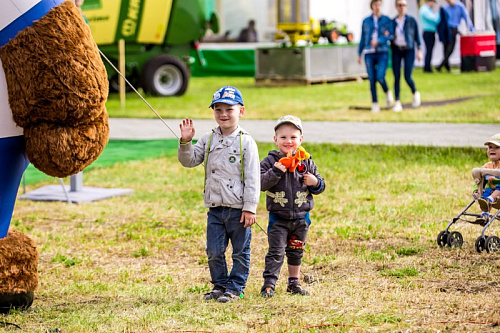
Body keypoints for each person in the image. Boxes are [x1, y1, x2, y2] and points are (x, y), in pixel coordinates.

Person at [178, 86, 260, 303]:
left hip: (239, 210)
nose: (223, 114)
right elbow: (189, 161)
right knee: (214, 251)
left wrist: (250, 207)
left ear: (241, 111)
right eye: (218, 110)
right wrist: (186, 142)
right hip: (215, 209)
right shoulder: (208, 139)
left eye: (229, 110)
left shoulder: (246, 141)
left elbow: (253, 178)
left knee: (240, 252)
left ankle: (236, 287)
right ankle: (219, 285)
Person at [260, 115, 325, 298]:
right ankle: (269, 284)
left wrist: (315, 182)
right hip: (278, 218)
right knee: (276, 251)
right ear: (275, 139)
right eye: (283, 137)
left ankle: (293, 282)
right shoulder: (270, 162)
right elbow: (260, 183)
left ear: (301, 139)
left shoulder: (307, 162)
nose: (288, 141)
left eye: (293, 137)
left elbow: (321, 186)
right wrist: (275, 172)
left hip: (301, 218)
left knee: (296, 250)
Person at [357, 0, 395, 113]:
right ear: (372, 6)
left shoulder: (386, 20)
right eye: (375, 4)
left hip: (382, 51)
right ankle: (375, 103)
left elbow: (390, 35)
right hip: (369, 52)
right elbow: (363, 38)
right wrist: (359, 53)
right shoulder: (366, 21)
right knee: (372, 79)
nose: (377, 7)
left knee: (380, 76)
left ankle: (387, 92)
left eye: (379, 4)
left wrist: (379, 40)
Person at [391, 0, 422, 112]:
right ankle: (397, 102)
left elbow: (417, 37)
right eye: (400, 5)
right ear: (396, 7)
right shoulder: (392, 22)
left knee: (407, 76)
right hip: (396, 50)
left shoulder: (411, 21)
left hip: (408, 50)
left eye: (404, 5)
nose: (402, 7)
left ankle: (415, 92)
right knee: (397, 77)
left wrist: (419, 50)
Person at [437, 0, 475, 72]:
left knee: (450, 49)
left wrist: (471, 29)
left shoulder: (460, 7)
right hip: (446, 29)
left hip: (453, 29)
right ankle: (446, 67)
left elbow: (466, 17)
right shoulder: (445, 8)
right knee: (445, 49)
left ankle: (441, 65)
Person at [473, 133, 500, 224]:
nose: (492, 149)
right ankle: (484, 214)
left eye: (496, 147)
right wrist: (476, 189)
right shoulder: (487, 166)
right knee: (484, 196)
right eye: (490, 147)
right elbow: (479, 179)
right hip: (490, 190)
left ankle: (490, 199)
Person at [419, 0, 441, 73]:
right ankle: (427, 68)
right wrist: (438, 13)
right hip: (428, 32)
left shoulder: (427, 9)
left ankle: (428, 66)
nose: (434, 4)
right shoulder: (425, 10)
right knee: (429, 50)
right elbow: (435, 19)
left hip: (429, 32)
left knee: (429, 51)